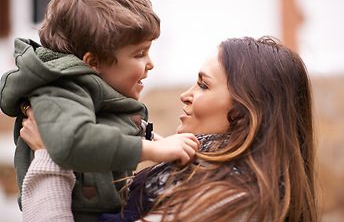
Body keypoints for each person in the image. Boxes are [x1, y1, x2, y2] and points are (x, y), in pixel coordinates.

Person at [20, 36, 319, 222]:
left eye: (203, 84)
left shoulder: (228, 201)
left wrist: (50, 158)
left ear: (242, 113)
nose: (185, 95)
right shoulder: (206, 176)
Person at [0, 0, 199, 221]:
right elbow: (75, 140)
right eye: (139, 54)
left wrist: (164, 143)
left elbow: (113, 127)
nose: (150, 63)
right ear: (93, 62)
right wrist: (154, 150)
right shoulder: (61, 88)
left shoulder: (93, 89)